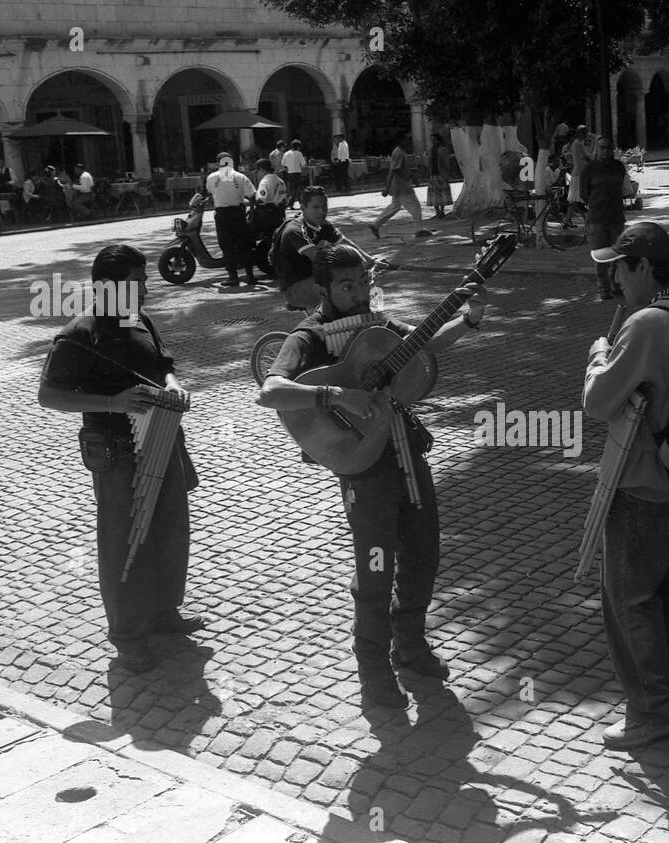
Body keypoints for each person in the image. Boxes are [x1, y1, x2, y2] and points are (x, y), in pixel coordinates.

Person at [255, 244, 486, 708]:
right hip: (364, 466)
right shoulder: (309, 337)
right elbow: (271, 392)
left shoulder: (376, 323)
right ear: (323, 290)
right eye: (347, 286)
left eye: (362, 282)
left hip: (406, 453)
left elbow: (422, 344)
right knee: (376, 568)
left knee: (423, 553)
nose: (359, 293)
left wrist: (470, 318)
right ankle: (373, 668)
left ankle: (411, 644)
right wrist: (336, 394)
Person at [37, 245, 204, 673]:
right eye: (138, 281)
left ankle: (164, 612)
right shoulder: (80, 333)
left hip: (163, 439)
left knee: (170, 528)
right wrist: (114, 402)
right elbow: (49, 396)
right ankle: (129, 637)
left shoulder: (139, 320)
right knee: (124, 541)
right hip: (116, 452)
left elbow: (164, 365)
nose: (147, 288)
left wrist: (173, 385)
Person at [583, 222, 669, 749]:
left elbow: (597, 402)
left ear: (641, 268)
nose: (612, 274)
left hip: (636, 484)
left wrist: (596, 354)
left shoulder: (643, 324)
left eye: (618, 264)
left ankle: (652, 711)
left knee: (630, 601)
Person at [580, 136, 628, 300]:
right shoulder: (589, 169)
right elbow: (583, 194)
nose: (605, 151)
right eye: (602, 147)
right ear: (596, 149)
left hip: (616, 217)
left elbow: (623, 189)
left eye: (608, 148)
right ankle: (603, 288)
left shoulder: (619, 167)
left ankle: (616, 285)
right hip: (597, 218)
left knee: (617, 255)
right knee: (601, 255)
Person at [205, 151, 258, 287]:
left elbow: (210, 192)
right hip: (238, 214)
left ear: (218, 163)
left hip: (222, 215)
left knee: (226, 245)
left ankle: (233, 277)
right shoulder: (241, 177)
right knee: (244, 244)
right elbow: (252, 196)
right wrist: (251, 212)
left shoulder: (212, 177)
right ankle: (250, 276)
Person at [369, 134, 431, 239]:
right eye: (406, 139)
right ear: (400, 140)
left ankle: (376, 225)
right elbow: (394, 170)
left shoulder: (400, 152)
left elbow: (397, 169)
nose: (408, 141)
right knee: (415, 207)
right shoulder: (398, 153)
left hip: (399, 185)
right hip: (402, 186)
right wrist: (387, 187)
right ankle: (419, 230)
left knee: (395, 206)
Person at [566, 125, 592, 227]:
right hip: (580, 174)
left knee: (573, 199)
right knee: (580, 198)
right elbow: (587, 158)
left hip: (578, 173)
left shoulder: (577, 143)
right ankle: (587, 217)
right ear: (581, 133)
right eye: (585, 132)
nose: (586, 134)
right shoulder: (578, 144)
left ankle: (568, 219)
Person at [425, 133, 452, 218]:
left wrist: (447, 173)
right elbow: (429, 162)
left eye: (434, 140)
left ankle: (442, 211)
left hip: (441, 174)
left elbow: (446, 162)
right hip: (433, 174)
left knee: (442, 193)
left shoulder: (442, 150)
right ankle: (437, 211)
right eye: (432, 140)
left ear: (438, 141)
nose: (433, 142)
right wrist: (428, 172)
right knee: (433, 194)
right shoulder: (431, 150)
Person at [282, 139, 307, 205]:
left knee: (292, 187)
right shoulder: (299, 153)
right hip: (297, 172)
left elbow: (283, 163)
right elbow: (303, 164)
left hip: (289, 173)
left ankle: (299, 201)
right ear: (298, 147)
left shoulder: (286, 153)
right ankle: (291, 202)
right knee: (297, 188)